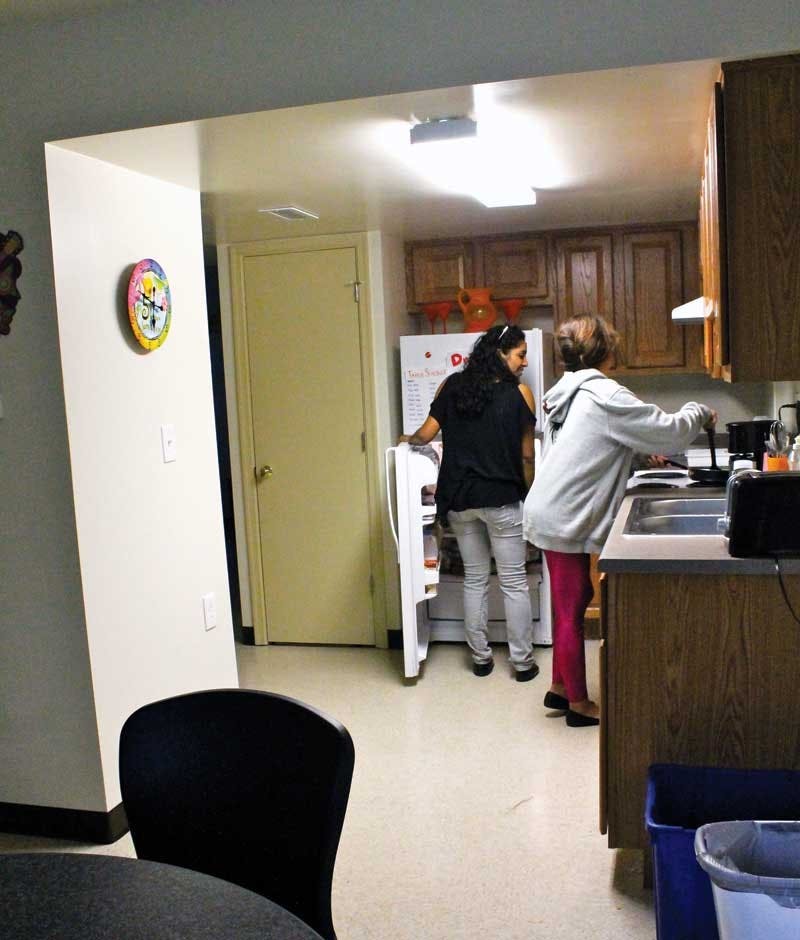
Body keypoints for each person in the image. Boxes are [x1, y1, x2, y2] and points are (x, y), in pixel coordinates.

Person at [523, 314, 716, 726]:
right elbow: (671, 431)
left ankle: (559, 687)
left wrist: (638, 453)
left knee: (567, 602)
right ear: (606, 351)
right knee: (573, 606)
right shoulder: (605, 394)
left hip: (551, 508)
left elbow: (590, 445)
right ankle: (578, 702)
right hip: (563, 514)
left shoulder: (571, 392)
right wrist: (699, 411)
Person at [399, 324, 539, 680]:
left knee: (475, 578)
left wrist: (406, 439)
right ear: (500, 354)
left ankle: (480, 659)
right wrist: (531, 495)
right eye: (520, 355)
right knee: (513, 581)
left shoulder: (451, 386)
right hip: (502, 498)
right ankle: (522, 664)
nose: (524, 363)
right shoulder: (520, 394)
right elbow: (526, 457)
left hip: (460, 499)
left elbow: (426, 434)